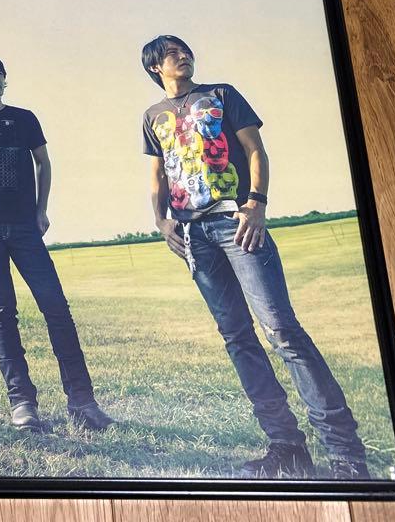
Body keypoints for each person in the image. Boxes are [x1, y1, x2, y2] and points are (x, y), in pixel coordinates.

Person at [140, 34, 371, 480]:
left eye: (185, 49)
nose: (183, 55)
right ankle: (286, 447)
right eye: (171, 52)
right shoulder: (152, 116)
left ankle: (345, 453)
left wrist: (256, 203)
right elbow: (158, 173)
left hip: (237, 223)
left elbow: (254, 149)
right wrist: (161, 220)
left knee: (281, 330)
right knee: (237, 338)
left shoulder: (222, 95)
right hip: (193, 235)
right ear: (155, 67)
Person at [0, 53, 113, 433]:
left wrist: (41, 210)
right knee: (3, 310)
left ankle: (82, 402)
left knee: (56, 306)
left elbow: (43, 163)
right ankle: (22, 403)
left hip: (23, 223)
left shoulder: (24, 119)